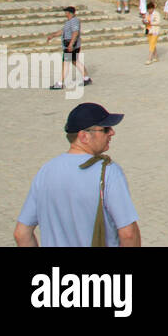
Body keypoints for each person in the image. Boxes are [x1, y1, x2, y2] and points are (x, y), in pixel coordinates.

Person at [15, 102, 141, 247]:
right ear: (84, 136)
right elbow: (128, 234)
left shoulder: (46, 171)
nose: (112, 132)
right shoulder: (108, 172)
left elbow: (21, 233)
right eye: (105, 129)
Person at [45, 6, 90, 90]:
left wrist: (71, 44)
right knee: (74, 61)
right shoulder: (69, 22)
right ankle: (86, 78)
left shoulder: (74, 21)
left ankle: (60, 83)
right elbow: (63, 31)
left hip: (71, 46)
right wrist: (52, 35)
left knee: (65, 63)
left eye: (66, 12)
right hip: (72, 46)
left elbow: (75, 33)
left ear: (69, 13)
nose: (65, 14)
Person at [143, 0, 161, 65]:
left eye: (150, 9)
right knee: (151, 43)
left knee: (152, 43)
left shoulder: (156, 14)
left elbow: (158, 22)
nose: (149, 10)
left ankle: (149, 58)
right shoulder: (147, 14)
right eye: (148, 9)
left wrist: (151, 22)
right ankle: (156, 57)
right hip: (149, 30)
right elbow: (145, 20)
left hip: (155, 30)